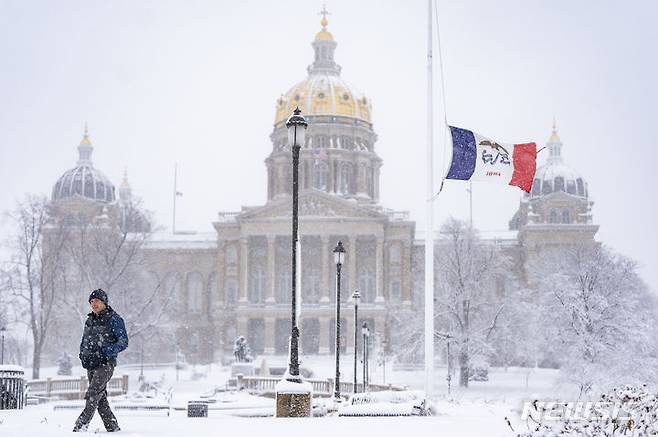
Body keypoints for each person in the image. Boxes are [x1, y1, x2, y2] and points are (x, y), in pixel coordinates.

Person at [73, 289, 128, 432]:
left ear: (104, 302)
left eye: (96, 301)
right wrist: (82, 354)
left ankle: (81, 425)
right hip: (91, 363)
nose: (93, 304)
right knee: (100, 398)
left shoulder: (114, 319)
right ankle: (112, 426)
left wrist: (106, 352)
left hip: (105, 364)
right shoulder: (89, 320)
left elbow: (123, 341)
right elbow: (84, 340)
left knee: (93, 392)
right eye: (91, 302)